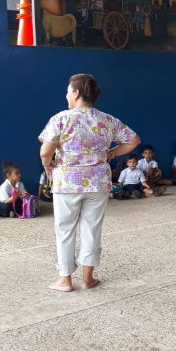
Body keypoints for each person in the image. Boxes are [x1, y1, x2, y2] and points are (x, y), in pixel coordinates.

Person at [39, 74, 140, 292]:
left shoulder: (61, 119)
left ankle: (65, 281)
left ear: (76, 93)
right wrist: (112, 153)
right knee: (91, 229)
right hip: (98, 183)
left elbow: (45, 150)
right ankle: (88, 279)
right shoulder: (106, 119)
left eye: (68, 91)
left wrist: (48, 164)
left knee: (65, 230)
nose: (66, 95)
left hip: (67, 183)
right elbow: (134, 140)